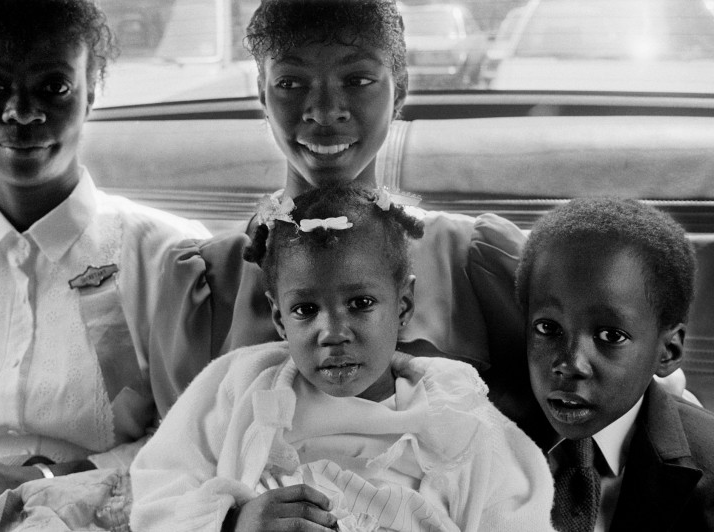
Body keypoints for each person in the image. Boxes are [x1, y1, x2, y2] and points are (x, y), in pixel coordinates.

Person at [151, 0, 549, 444]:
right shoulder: (205, 284)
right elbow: (180, 467)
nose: (323, 110)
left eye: (357, 80)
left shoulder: (472, 262)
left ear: (398, 90)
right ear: (263, 94)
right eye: (290, 82)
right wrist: (233, 517)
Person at [0, 0, 209, 527]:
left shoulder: (173, 259)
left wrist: (37, 483)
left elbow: (199, 444)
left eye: (53, 87)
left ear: (91, 89)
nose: (21, 113)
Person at [130, 184, 556, 532]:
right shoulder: (239, 384)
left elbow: (516, 515)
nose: (332, 333)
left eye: (361, 303)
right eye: (305, 310)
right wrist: (234, 522)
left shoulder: (458, 414)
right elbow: (159, 489)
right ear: (279, 318)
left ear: (404, 306)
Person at [516, 197, 714, 531]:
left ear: (667, 352)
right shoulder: (482, 430)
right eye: (548, 328)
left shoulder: (707, 468)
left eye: (611, 335)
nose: (570, 364)